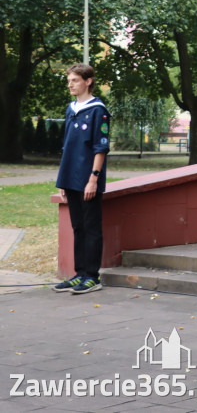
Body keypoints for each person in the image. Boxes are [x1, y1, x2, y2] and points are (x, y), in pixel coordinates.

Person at [53, 64, 110, 295]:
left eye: (75, 80)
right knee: (78, 227)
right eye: (69, 80)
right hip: (71, 177)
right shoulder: (71, 108)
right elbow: (68, 146)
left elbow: (101, 148)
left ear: (88, 81)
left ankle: (92, 277)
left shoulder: (98, 110)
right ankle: (80, 274)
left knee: (91, 227)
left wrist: (93, 179)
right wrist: (63, 180)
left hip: (88, 178)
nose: (70, 84)